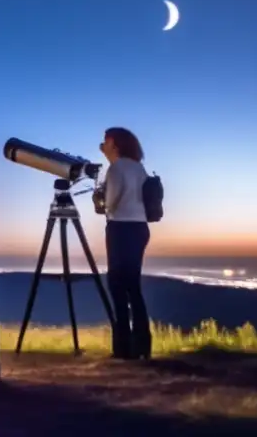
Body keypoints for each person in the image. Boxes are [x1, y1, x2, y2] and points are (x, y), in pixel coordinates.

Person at [98, 127, 152, 360]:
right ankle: (142, 346)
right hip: (139, 228)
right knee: (134, 288)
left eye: (106, 141)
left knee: (117, 288)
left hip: (120, 228)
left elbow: (110, 204)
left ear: (115, 144)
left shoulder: (116, 168)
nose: (103, 144)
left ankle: (122, 349)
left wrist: (100, 197)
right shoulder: (138, 167)